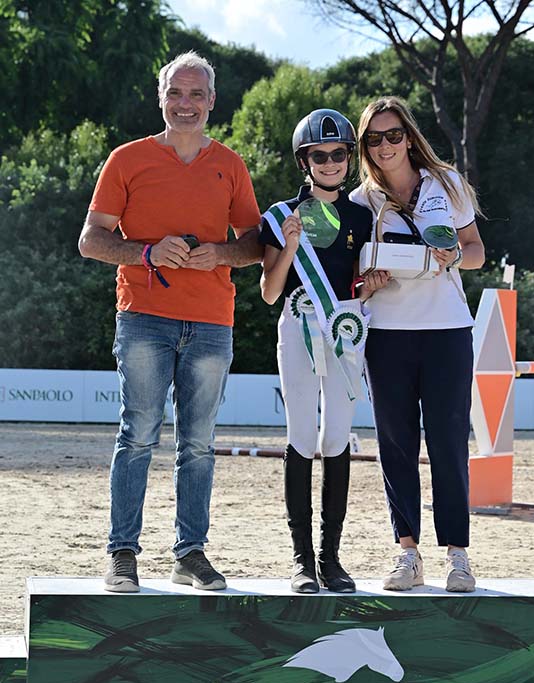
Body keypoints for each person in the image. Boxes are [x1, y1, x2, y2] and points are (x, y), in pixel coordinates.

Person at [78, 52, 262, 593]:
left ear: (212, 102)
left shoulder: (231, 165)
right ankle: (121, 553)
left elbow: (254, 243)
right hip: (143, 320)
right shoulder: (126, 160)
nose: (186, 104)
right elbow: (91, 241)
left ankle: (190, 554)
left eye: (196, 95)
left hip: (210, 322)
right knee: (136, 435)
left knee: (199, 445)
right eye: (176, 94)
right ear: (161, 99)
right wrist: (147, 252)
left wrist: (220, 255)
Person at [350, 96, 485, 593]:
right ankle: (408, 553)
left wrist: (452, 257)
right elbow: (352, 278)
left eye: (393, 135)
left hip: (448, 330)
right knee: (396, 447)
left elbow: (476, 252)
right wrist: (369, 280)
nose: (385, 145)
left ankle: (458, 556)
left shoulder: (446, 183)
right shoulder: (360, 202)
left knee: (449, 445)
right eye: (374, 139)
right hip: (386, 336)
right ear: (364, 146)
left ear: (409, 136)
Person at [259, 109, 373, 593]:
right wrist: (288, 248)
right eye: (319, 155)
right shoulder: (281, 215)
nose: (330, 163)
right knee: (303, 435)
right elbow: (269, 292)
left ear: (349, 158)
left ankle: (333, 558)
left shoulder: (363, 217)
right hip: (297, 326)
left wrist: (372, 287)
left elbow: (363, 283)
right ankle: (302, 561)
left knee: (338, 438)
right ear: (304, 161)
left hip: (346, 329)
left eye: (339, 153)